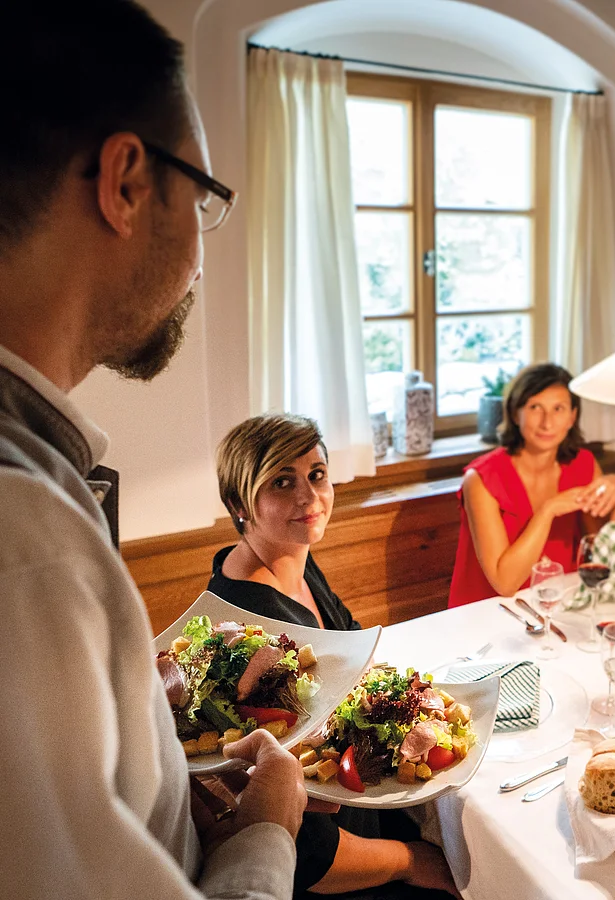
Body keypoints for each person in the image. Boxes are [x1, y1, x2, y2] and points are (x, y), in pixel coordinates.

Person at [0, 3, 306, 898]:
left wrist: (151, 748)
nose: (202, 260)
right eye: (203, 200)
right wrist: (266, 834)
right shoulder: (25, 537)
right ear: (126, 182)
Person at [211, 413, 460, 900]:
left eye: (317, 474)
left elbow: (357, 654)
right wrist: (412, 862)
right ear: (239, 503)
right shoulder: (252, 634)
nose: (309, 497)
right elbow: (307, 853)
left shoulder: (292, 558)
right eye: (282, 481)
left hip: (369, 810)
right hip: (346, 871)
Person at [448, 363, 615, 607]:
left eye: (558, 409)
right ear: (515, 413)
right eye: (535, 407)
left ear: (572, 417)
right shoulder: (482, 479)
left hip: (558, 604)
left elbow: (608, 559)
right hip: (488, 612)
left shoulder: (583, 465)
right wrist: (548, 510)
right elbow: (505, 583)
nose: (547, 423)